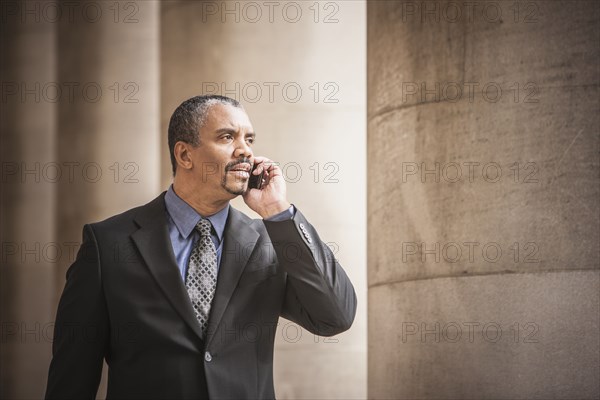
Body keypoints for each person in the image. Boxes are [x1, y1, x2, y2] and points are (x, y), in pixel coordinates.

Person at [45, 95, 357, 399]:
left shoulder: (271, 241)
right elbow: (72, 377)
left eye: (249, 139)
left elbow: (334, 316)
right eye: (227, 137)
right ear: (184, 155)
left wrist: (278, 211)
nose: (245, 151)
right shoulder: (108, 243)